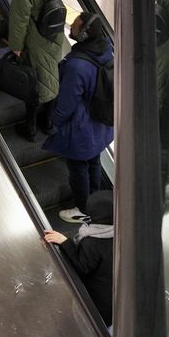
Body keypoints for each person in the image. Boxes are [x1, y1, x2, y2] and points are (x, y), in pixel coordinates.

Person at [45, 12, 113, 223]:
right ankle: (94, 200)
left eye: (74, 26)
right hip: (100, 125)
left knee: (77, 168)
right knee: (93, 160)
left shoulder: (77, 66)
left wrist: (53, 120)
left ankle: (83, 209)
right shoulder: (106, 49)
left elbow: (67, 102)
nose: (71, 28)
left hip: (81, 126)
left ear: (84, 34)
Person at [6, 0, 68, 141]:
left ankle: (31, 128)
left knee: (34, 79)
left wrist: (16, 44)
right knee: (52, 74)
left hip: (35, 35)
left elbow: (20, 17)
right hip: (55, 33)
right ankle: (48, 122)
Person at [43, 191, 113, 325]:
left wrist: (65, 242)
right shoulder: (120, 232)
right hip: (114, 296)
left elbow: (82, 267)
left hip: (98, 303)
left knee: (94, 326)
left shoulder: (92, 242)